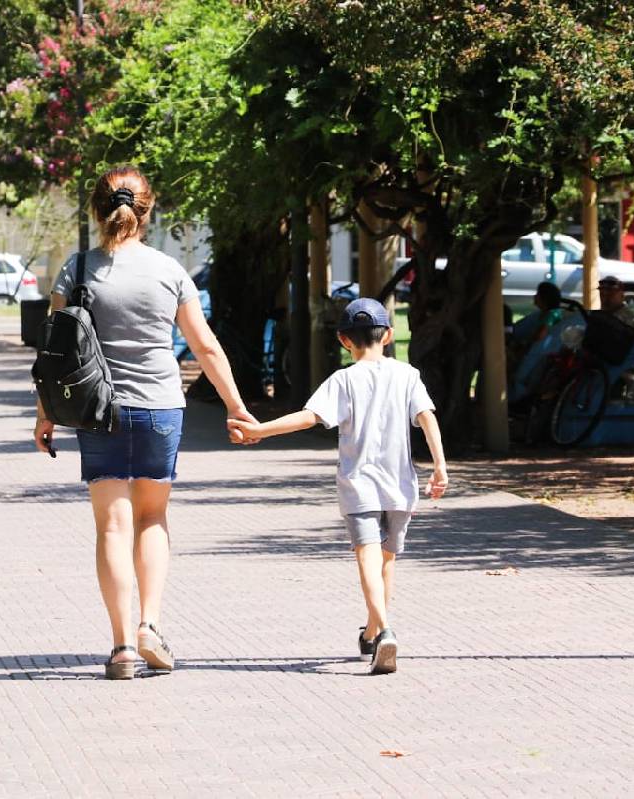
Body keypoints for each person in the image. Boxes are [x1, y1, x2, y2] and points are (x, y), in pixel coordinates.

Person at [34, 165, 257, 680]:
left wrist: (44, 414)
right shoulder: (169, 271)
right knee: (152, 519)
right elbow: (205, 345)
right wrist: (236, 406)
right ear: (147, 210)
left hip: (97, 410)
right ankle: (150, 626)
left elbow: (55, 351)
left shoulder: (77, 271)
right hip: (160, 408)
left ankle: (120, 648)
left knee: (111, 525)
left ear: (96, 209)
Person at [227, 298, 448, 675]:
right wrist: (440, 467)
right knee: (387, 561)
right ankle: (375, 628)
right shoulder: (408, 374)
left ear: (345, 341)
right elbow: (426, 418)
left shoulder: (343, 380)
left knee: (367, 557)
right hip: (400, 485)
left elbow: (308, 417)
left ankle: (384, 631)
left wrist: (259, 431)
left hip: (359, 484)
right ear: (389, 336)